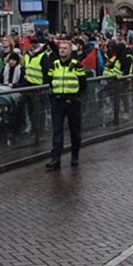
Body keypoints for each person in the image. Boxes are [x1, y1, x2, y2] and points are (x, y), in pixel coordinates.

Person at [45, 41, 87, 172]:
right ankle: (56, 159)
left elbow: (83, 83)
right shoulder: (54, 65)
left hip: (72, 102)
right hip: (58, 102)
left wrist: (75, 96)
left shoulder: (76, 65)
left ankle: (74, 156)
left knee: (75, 131)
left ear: (70, 51)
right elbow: (50, 81)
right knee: (57, 131)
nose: (62, 50)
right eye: (60, 48)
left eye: (65, 48)